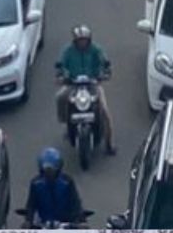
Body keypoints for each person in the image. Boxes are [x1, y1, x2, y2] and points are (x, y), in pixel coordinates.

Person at [54, 26, 115, 154]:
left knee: (104, 111)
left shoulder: (96, 49)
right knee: (60, 96)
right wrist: (61, 74)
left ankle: (109, 144)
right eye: (80, 40)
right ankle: (66, 120)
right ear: (75, 41)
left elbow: (104, 60)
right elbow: (61, 63)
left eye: (85, 40)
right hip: (73, 84)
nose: (82, 43)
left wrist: (105, 72)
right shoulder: (68, 51)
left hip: (92, 84)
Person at [25, 148, 86, 227]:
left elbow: (75, 203)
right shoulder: (35, 184)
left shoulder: (67, 182)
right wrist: (28, 220)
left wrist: (80, 221)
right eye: (46, 170)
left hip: (66, 225)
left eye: (51, 170)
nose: (49, 173)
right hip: (43, 225)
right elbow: (31, 205)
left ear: (58, 168)